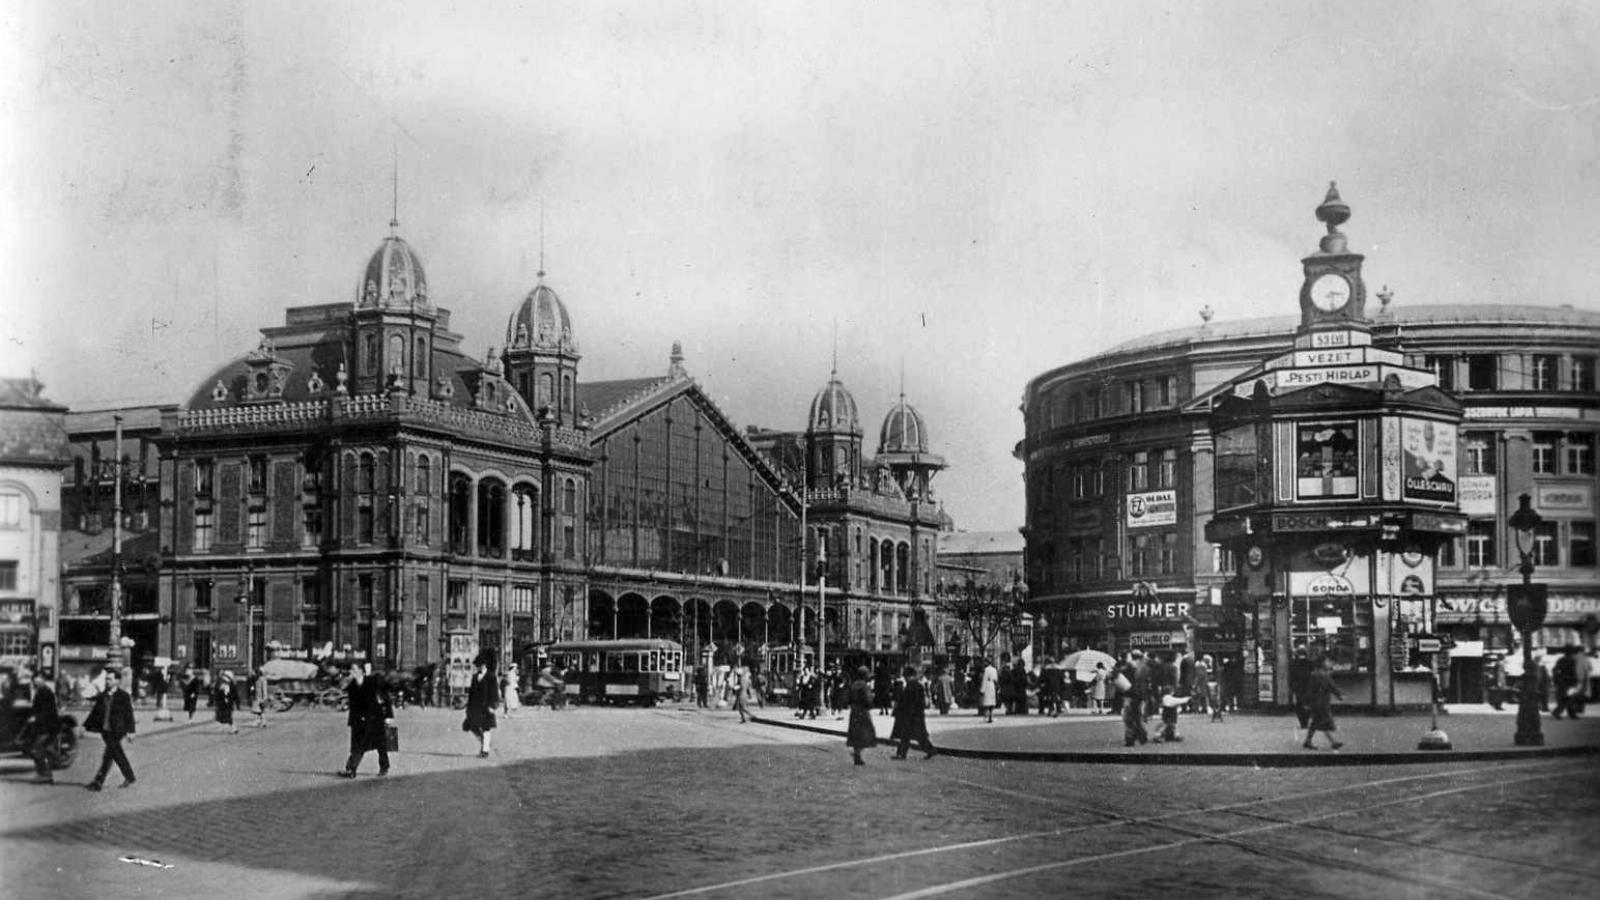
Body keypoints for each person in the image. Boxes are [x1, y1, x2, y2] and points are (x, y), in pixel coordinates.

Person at [339, 663, 395, 778]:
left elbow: (385, 697)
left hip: (374, 718)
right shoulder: (352, 684)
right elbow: (343, 689)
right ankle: (351, 770)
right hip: (358, 720)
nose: (351, 672)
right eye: (351, 669)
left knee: (381, 745)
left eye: (354, 669)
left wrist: (389, 715)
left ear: (361, 671)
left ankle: (384, 767)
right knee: (357, 746)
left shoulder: (373, 682)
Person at [86, 667, 137, 791]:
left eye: (110, 679)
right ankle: (129, 777)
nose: (107, 681)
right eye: (106, 679)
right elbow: (95, 712)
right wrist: (85, 726)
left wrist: (131, 731)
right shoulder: (103, 695)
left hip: (117, 730)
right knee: (113, 754)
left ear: (117, 681)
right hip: (105, 729)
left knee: (110, 754)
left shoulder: (123, 696)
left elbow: (129, 714)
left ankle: (98, 782)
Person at [889, 665, 936, 760]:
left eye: (906, 676)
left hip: (911, 716)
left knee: (909, 735)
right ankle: (928, 750)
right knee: (914, 736)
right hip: (916, 715)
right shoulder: (918, 685)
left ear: (909, 676)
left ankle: (904, 753)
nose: (905, 679)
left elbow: (908, 702)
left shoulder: (911, 686)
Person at [24, 668, 61, 784]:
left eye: (37, 679)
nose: (35, 681)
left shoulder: (46, 692)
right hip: (45, 726)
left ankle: (44, 774)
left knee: (36, 749)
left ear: (43, 679)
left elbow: (48, 711)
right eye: (34, 679)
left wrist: (36, 717)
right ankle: (47, 775)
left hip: (47, 727)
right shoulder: (41, 691)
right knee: (46, 750)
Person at [1303, 655, 1344, 750]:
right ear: (1322, 663)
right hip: (1321, 703)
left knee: (1317, 723)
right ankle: (1333, 742)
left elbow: (1309, 689)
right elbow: (1331, 686)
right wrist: (1339, 695)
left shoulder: (1316, 674)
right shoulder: (1323, 675)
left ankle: (1308, 741)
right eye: (1327, 661)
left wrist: (1306, 702)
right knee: (1323, 722)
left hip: (1316, 703)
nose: (1329, 663)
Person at [464, 655, 500, 757]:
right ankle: (485, 744)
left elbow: (494, 692)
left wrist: (493, 706)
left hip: (486, 706)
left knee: (486, 728)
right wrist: (468, 707)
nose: (477, 667)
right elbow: (472, 693)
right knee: (472, 726)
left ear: (484, 665)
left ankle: (485, 750)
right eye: (477, 665)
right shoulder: (475, 677)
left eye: (479, 665)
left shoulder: (491, 677)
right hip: (475, 707)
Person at [845, 666, 877, 766]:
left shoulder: (853, 685)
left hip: (854, 711)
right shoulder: (864, 686)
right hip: (863, 712)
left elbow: (848, 698)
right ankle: (857, 754)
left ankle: (857, 754)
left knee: (855, 734)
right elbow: (868, 700)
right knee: (865, 733)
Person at [1122, 650, 1150, 748]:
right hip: (1140, 695)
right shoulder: (1145, 668)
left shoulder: (1127, 667)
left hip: (1129, 695)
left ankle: (1130, 738)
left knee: (1129, 718)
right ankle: (1142, 736)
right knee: (1137, 716)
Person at [1288, 644, 1312, 728]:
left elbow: (1291, 677)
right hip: (1308, 688)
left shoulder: (1294, 664)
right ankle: (1306, 721)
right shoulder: (1309, 663)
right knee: (1308, 705)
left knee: (1299, 705)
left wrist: (1292, 687)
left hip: (1298, 688)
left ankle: (1302, 722)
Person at [978, 657, 998, 723]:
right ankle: (991, 716)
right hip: (992, 686)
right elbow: (996, 679)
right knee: (992, 702)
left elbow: (984, 679)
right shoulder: (994, 669)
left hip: (987, 685)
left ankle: (986, 717)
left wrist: (982, 690)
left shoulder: (986, 670)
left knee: (986, 702)